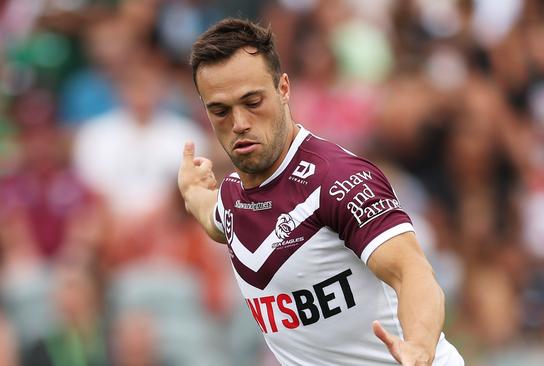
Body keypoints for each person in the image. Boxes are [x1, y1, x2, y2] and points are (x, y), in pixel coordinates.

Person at [178, 18, 464, 366]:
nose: (239, 123)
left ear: (283, 89)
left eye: (253, 101)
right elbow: (214, 217)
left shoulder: (338, 180)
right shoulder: (232, 201)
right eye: (220, 111)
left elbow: (413, 272)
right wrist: (191, 189)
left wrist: (419, 347)